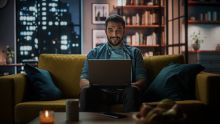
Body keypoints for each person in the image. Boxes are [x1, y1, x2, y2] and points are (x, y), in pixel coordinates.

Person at [80, 14, 146, 112]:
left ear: (124, 30)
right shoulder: (94, 53)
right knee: (86, 91)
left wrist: (134, 85)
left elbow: (142, 80)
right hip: (101, 93)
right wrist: (91, 84)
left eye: (118, 30)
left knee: (132, 91)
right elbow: (82, 81)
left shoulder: (135, 53)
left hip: (125, 93)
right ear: (105, 31)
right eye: (110, 30)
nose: (114, 34)